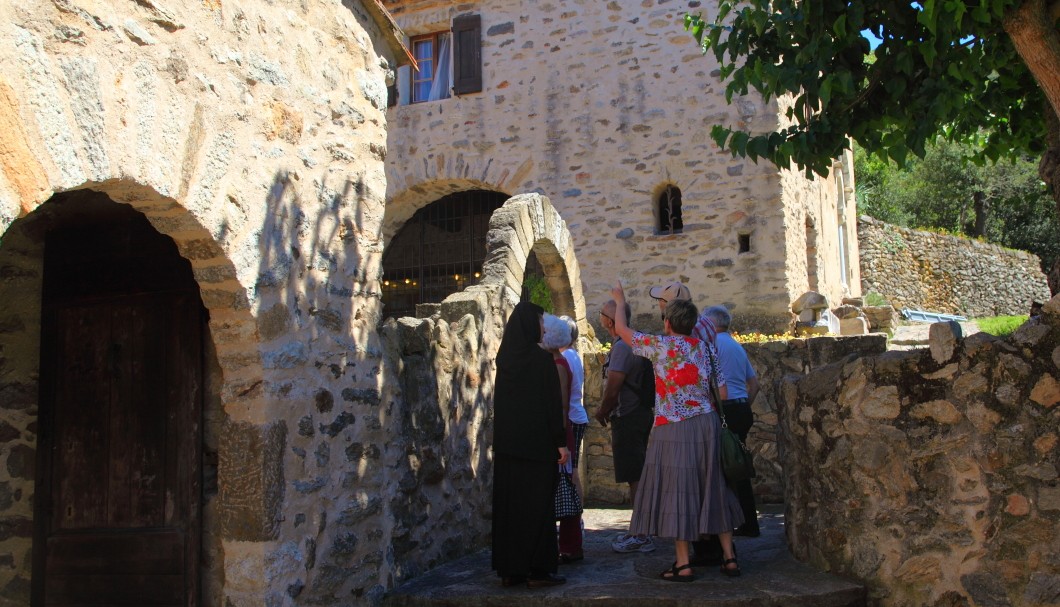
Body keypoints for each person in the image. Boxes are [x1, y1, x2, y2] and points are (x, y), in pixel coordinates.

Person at [612, 281, 743, 580]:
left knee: (677, 491)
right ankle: (730, 558)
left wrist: (620, 300)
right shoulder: (707, 349)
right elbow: (722, 394)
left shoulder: (660, 347)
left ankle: (683, 564)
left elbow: (621, 331)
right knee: (714, 487)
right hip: (707, 425)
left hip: (671, 427)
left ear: (668, 323)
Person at [491, 302, 570, 588]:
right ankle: (539, 569)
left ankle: (511, 569)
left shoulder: (505, 360)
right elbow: (552, 406)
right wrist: (561, 444)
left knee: (511, 508)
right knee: (538, 508)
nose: (542, 326)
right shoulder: (541, 361)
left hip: (508, 447)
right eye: (539, 320)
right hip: (537, 448)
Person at [594, 299, 657, 554]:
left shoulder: (622, 348)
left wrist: (602, 410)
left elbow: (614, 385)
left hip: (628, 417)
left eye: (602, 314)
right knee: (637, 474)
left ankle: (640, 533)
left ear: (610, 321)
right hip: (639, 414)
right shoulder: (632, 342)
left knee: (635, 477)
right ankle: (643, 529)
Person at [704, 305, 761, 537]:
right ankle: (748, 522)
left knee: (723, 467)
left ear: (711, 324)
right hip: (740, 408)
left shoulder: (713, 345)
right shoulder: (736, 346)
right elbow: (754, 384)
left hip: (724, 409)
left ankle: (727, 523)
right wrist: (743, 406)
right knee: (738, 466)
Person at [542, 314, 584, 563]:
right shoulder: (563, 360)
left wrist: (560, 439)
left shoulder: (560, 363)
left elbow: (561, 406)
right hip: (565, 427)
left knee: (565, 482)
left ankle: (570, 544)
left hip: (563, 430)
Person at [558, 316, 589, 497]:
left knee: (572, 469)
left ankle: (576, 515)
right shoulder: (573, 355)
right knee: (572, 467)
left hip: (571, 416)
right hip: (576, 415)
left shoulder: (566, 357)